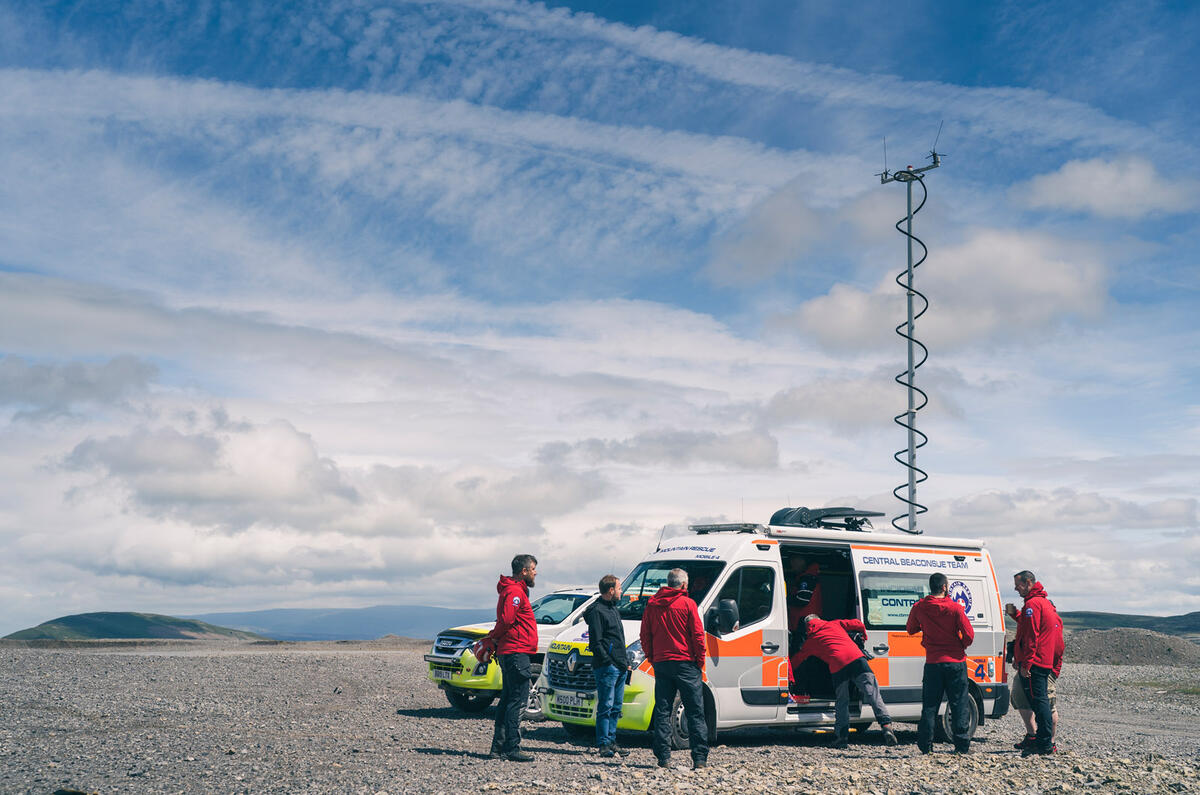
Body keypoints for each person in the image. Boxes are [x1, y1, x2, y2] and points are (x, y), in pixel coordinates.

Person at [795, 613, 898, 748]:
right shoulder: (834, 623)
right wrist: (864, 636)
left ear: (807, 627)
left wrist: (788, 671)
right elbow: (858, 623)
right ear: (820, 620)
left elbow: (798, 658)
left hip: (838, 666)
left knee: (842, 701)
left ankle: (841, 737)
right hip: (857, 659)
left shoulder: (811, 640)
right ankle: (886, 726)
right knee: (873, 694)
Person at [640, 568, 708, 769]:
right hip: (686, 663)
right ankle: (699, 759)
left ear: (668, 583)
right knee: (695, 711)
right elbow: (697, 635)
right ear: (684, 585)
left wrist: (652, 656)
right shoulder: (688, 604)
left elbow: (645, 634)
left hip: (662, 663)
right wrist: (700, 660)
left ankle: (664, 757)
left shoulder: (652, 604)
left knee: (663, 710)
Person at [906, 572, 976, 754]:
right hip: (955, 662)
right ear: (944, 587)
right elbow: (969, 635)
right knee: (959, 703)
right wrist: (960, 645)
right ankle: (961, 745)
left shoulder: (920, 607)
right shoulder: (955, 608)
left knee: (930, 705)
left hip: (933, 662)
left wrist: (927, 629)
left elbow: (911, 629)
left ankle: (925, 745)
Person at [483, 554, 539, 762]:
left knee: (507, 700)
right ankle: (511, 747)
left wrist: (495, 638)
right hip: (516, 652)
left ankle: (498, 748)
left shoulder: (512, 590)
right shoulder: (515, 591)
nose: (535, 573)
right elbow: (507, 619)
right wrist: (494, 637)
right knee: (517, 701)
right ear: (523, 571)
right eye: (533, 569)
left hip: (512, 652)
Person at [1011, 570, 1064, 757]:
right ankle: (1042, 741)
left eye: (1018, 584)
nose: (1015, 588)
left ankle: (1044, 744)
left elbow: (1032, 636)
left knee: (1040, 702)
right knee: (1038, 701)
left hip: (1037, 663)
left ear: (1028, 583)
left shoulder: (1033, 604)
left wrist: (1027, 663)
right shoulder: (1043, 603)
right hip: (1044, 661)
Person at [585, 574, 632, 758]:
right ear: (611, 590)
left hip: (620, 666)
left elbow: (618, 639)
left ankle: (612, 741)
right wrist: (608, 662)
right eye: (619, 588)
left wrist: (625, 663)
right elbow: (596, 642)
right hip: (607, 667)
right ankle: (603, 743)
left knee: (616, 707)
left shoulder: (613, 609)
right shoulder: (598, 611)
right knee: (606, 705)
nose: (622, 592)